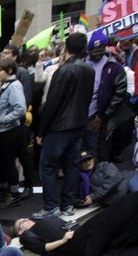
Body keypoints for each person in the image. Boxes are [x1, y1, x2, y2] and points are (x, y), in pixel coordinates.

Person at [36, 32, 96, 219]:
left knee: (47, 166)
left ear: (65, 48)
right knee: (71, 165)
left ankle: (51, 206)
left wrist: (41, 131)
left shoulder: (64, 70)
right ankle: (68, 204)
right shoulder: (89, 70)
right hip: (78, 124)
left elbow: (53, 102)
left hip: (59, 126)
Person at [0, 59, 30, 209]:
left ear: (10, 71)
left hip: (8, 131)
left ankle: (14, 195)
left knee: (8, 163)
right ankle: (3, 189)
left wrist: (2, 121)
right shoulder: (2, 85)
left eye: (0, 70)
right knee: (0, 163)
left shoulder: (14, 86)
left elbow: (20, 109)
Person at [84, 30, 130, 160]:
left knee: (93, 149)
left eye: (100, 49)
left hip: (96, 117)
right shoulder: (82, 63)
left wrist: (103, 115)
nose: (97, 53)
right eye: (94, 49)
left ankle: (92, 177)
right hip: (79, 114)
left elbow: (119, 95)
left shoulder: (115, 67)